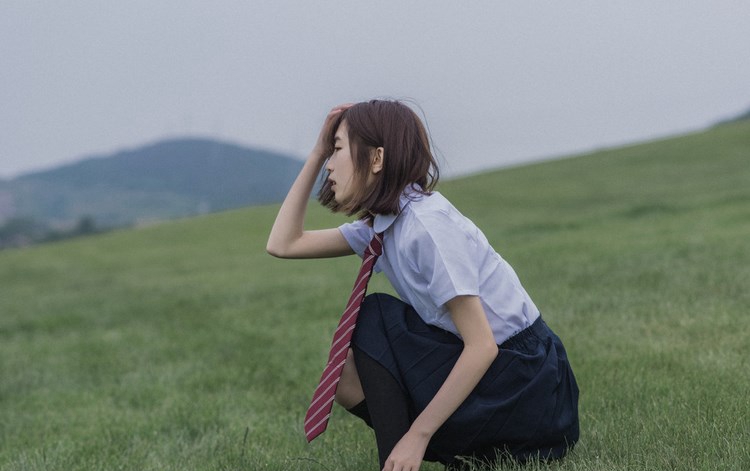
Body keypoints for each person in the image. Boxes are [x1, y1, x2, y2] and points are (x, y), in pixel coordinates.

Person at [267, 100, 579, 471]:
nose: (330, 165)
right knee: (346, 377)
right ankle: (442, 458)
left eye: (336, 150)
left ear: (377, 158)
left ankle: (409, 454)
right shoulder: (383, 225)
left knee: (375, 316)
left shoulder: (427, 227)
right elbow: (283, 244)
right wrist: (317, 152)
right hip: (504, 377)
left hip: (527, 385)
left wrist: (419, 435)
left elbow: (482, 347)